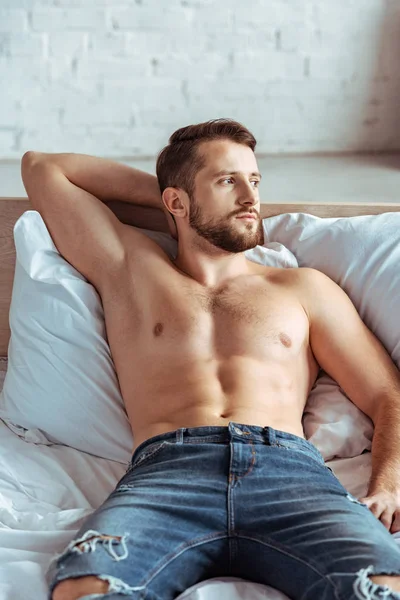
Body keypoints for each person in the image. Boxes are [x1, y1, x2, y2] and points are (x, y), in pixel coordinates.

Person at [22, 119, 400, 600]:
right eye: (228, 181)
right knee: (90, 587)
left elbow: (387, 393)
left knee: (380, 588)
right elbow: (43, 167)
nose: (250, 196)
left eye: (255, 181)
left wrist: (388, 486)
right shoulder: (131, 268)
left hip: (291, 476)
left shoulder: (303, 288)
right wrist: (173, 195)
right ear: (175, 201)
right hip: (167, 475)